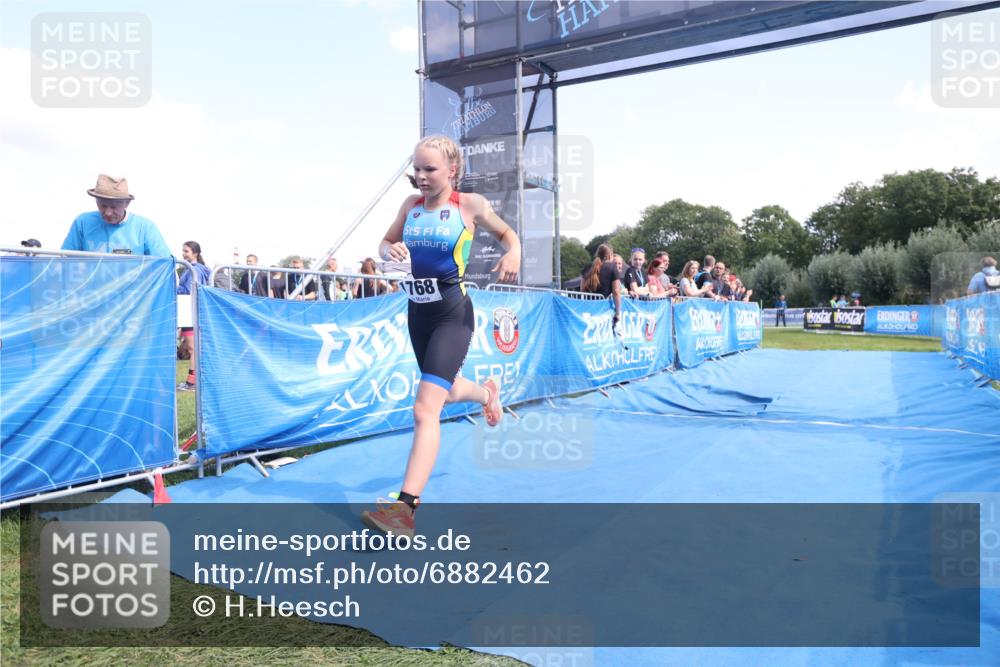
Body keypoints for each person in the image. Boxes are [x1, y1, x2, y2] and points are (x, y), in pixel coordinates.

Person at [361, 135, 521, 538]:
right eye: (416, 168)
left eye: (429, 169)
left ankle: (404, 510)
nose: (420, 176)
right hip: (418, 313)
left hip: (453, 314)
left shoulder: (469, 205)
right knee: (444, 393)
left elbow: (508, 236)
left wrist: (513, 252)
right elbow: (385, 241)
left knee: (424, 408)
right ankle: (487, 393)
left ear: (452, 170)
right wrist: (387, 251)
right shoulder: (409, 207)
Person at [62, 175, 171, 257]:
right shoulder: (82, 223)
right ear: (96, 201)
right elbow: (63, 260)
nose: (108, 212)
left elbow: (163, 264)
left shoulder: (145, 228)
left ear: (127, 203)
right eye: (103, 206)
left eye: (114, 207)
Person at [176, 241, 211, 391]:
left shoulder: (194, 270)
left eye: (186, 251)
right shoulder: (193, 269)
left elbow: (190, 291)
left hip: (190, 312)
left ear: (195, 253)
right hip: (188, 312)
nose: (183, 254)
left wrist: (176, 289)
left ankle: (192, 382)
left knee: (193, 349)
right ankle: (193, 381)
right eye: (183, 251)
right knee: (193, 348)